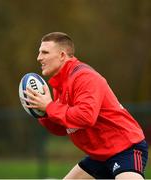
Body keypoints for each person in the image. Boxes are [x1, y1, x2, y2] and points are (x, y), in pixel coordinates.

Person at [24, 32, 148, 179]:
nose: (39, 58)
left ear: (62, 55)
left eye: (44, 52)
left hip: (125, 149)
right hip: (99, 156)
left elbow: (85, 116)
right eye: (39, 53)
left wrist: (49, 107)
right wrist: (43, 113)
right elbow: (63, 128)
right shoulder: (60, 86)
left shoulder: (84, 77)